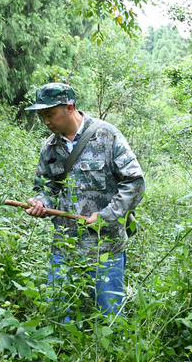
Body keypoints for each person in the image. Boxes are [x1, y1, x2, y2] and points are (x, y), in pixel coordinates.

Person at [24, 83, 145, 321]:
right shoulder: (49, 148)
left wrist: (107, 216)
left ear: (69, 108)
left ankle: (114, 357)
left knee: (111, 316)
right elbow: (46, 188)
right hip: (64, 247)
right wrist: (40, 202)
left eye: (50, 115)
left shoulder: (107, 136)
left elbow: (134, 182)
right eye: (42, 117)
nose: (46, 122)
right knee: (58, 315)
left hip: (105, 248)